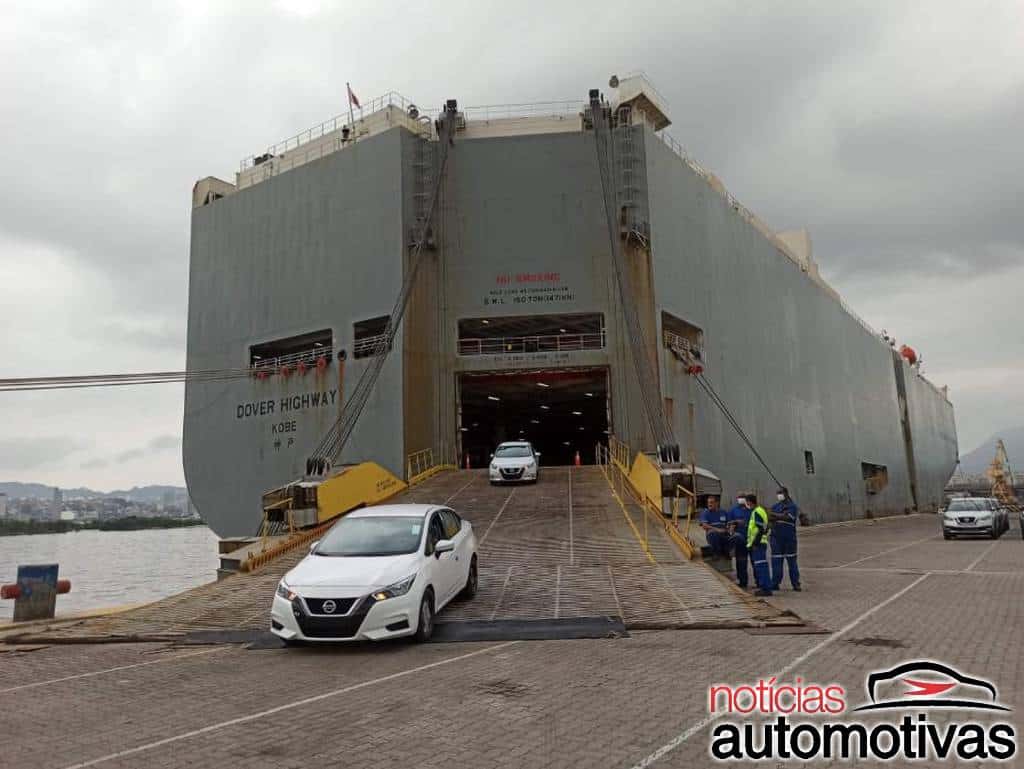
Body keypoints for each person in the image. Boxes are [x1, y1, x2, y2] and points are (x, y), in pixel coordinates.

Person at [770, 487, 801, 591]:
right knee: (776, 562)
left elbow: (788, 517)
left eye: (780, 493)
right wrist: (779, 515)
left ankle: (795, 583)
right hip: (776, 538)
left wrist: (776, 516)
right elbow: (770, 517)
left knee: (792, 562)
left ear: (786, 494)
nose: (779, 495)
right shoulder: (775, 506)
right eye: (777, 493)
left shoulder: (792, 506)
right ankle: (775, 583)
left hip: (789, 539)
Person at [744, 493, 772, 596]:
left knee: (761, 565)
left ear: (750, 502)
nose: (746, 504)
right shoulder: (759, 511)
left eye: (746, 502)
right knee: (761, 565)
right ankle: (765, 587)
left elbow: (761, 528)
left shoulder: (756, 512)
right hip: (760, 542)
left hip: (758, 543)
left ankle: (765, 588)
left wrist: (755, 542)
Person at [727, 493, 751, 589]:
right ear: (737, 499)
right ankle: (743, 582)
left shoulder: (750, 509)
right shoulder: (733, 510)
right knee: (741, 562)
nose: (741, 499)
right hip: (740, 541)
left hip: (751, 539)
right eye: (739, 497)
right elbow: (729, 524)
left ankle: (759, 582)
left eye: (743, 497)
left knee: (755, 562)